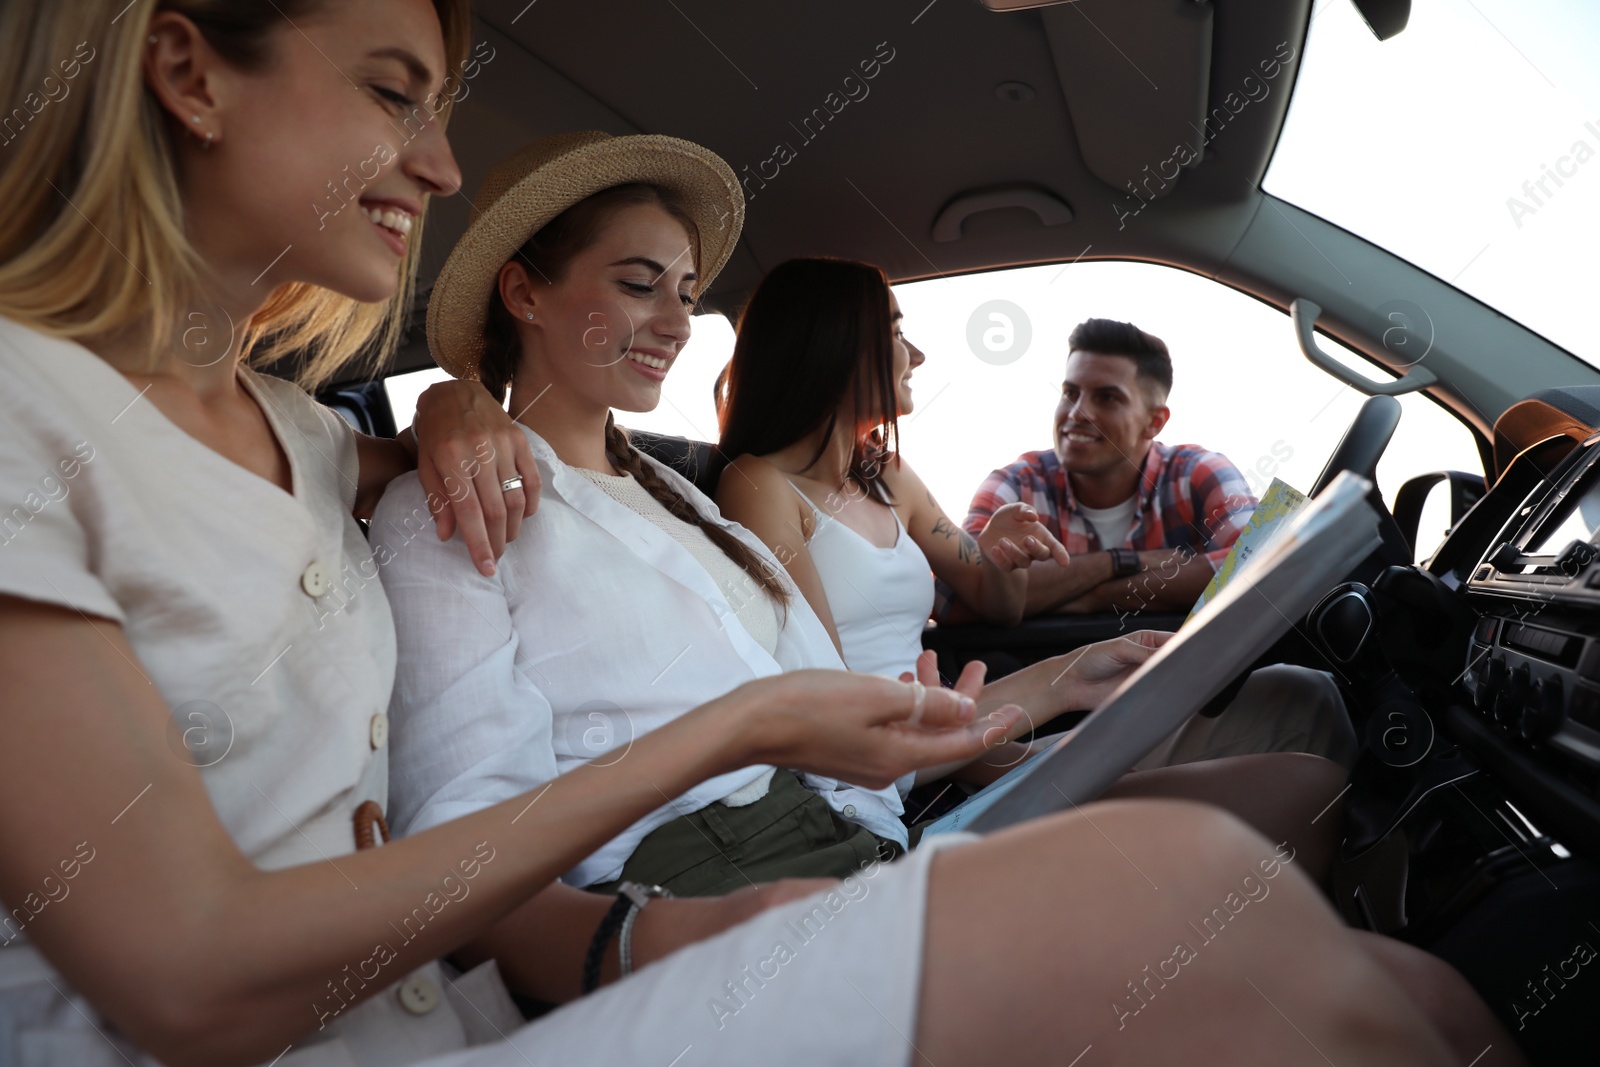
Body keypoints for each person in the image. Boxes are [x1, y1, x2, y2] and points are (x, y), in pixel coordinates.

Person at [0, 3, 1510, 1063]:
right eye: (395, 93)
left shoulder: (341, 443)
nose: (444, 166)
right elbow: (196, 973)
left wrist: (459, 405)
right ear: (189, 73)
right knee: (1185, 891)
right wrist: (740, 744)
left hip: (465, 1009)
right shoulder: (31, 412)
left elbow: (389, 455)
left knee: (1409, 993)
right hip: (502, 981)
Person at [375, 136, 1515, 1064]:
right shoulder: (457, 502)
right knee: (1325, 972)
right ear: (522, 288)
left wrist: (1052, 685)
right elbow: (465, 841)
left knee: (1422, 984)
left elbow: (824, 708)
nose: (676, 319)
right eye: (636, 285)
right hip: (693, 877)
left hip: (843, 833)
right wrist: (635, 939)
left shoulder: (688, 501)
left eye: (685, 290)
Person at [713, 260, 1358, 773]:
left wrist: (991, 554)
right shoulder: (760, 487)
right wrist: (1065, 679)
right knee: (1296, 730)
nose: (917, 356)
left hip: (961, 747)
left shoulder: (887, 477)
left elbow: (998, 603)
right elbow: (839, 719)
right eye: (894, 332)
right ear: (832, 347)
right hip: (899, 780)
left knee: (1298, 696)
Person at [937, 317, 1256, 622]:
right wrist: (1119, 562)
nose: (1077, 413)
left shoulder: (1198, 472)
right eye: (1070, 393)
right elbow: (954, 597)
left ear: (1154, 422)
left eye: (1107, 398)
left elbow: (1259, 563)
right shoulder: (1016, 485)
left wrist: (1093, 596)